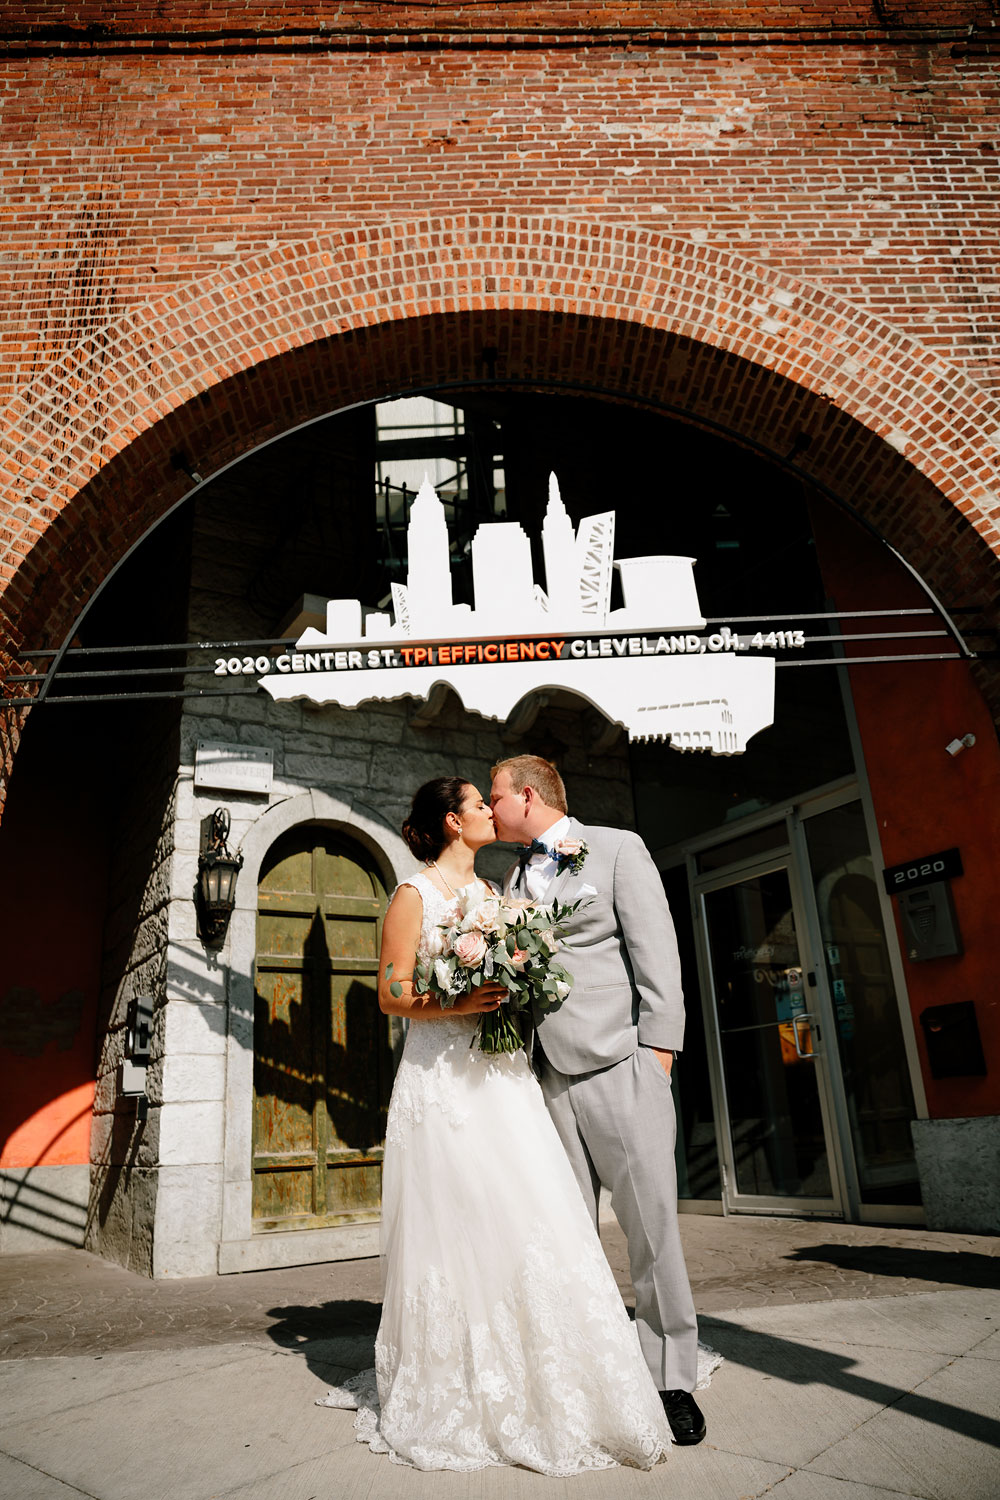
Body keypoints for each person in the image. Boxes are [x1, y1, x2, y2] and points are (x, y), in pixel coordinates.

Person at [318, 775, 676, 1473]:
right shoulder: (412, 895)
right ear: (453, 822)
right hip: (443, 1084)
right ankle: (463, 1383)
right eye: (479, 803)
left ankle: (550, 1372)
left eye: (489, 798)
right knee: (455, 1226)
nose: (489, 809)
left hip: (505, 1079)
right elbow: (391, 992)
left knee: (532, 1219)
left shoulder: (495, 896)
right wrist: (458, 1002)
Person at [489, 754, 707, 1446]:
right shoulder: (514, 878)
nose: (491, 808)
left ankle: (673, 1377)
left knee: (650, 1230)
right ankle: (594, 1369)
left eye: (496, 796)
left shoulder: (617, 849)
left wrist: (659, 1055)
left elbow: (657, 955)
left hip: (622, 1066)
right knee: (568, 1233)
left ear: (527, 796)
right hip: (547, 1076)